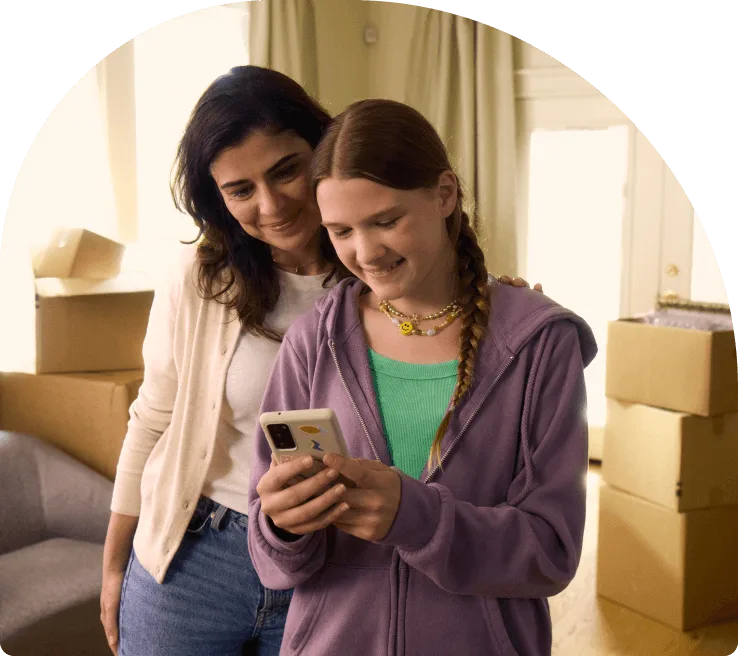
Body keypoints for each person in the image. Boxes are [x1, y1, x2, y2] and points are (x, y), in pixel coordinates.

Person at [100, 66, 541, 656]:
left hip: (347, 563)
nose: (272, 204)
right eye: (240, 190)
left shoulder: (399, 278)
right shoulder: (201, 280)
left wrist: (506, 311)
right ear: (218, 199)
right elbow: (153, 417)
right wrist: (114, 564)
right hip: (199, 553)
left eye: (288, 171)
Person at [248, 98, 598, 656]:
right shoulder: (314, 339)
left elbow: (552, 551)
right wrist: (282, 527)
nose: (366, 253)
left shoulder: (539, 343)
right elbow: (269, 559)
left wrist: (415, 518)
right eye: (341, 231)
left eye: (386, 221)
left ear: (444, 194)